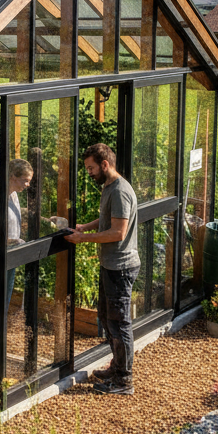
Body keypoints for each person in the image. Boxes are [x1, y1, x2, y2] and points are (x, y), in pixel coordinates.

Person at [65, 142, 140, 396]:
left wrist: (83, 239)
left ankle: (124, 380)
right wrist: (86, 226)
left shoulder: (120, 190)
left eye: (91, 168)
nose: (89, 173)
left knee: (119, 324)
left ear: (105, 164)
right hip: (111, 264)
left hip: (120, 266)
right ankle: (117, 367)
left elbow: (118, 232)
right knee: (108, 320)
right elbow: (110, 218)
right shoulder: (109, 187)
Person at [0, 158, 33, 365]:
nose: (27, 185)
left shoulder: (13, 196)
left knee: (3, 304)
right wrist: (8, 240)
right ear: (12, 177)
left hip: (10, 255)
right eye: (25, 180)